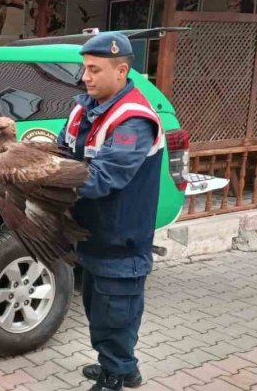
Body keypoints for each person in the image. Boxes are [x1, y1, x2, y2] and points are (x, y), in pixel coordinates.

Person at [56, 32, 164, 391]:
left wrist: (44, 178)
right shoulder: (82, 108)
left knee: (116, 314)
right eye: (84, 68)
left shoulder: (133, 120)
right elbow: (62, 149)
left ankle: (116, 375)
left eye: (94, 69)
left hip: (122, 239)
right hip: (92, 234)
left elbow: (104, 178)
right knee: (98, 309)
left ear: (121, 71)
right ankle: (120, 366)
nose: (85, 77)